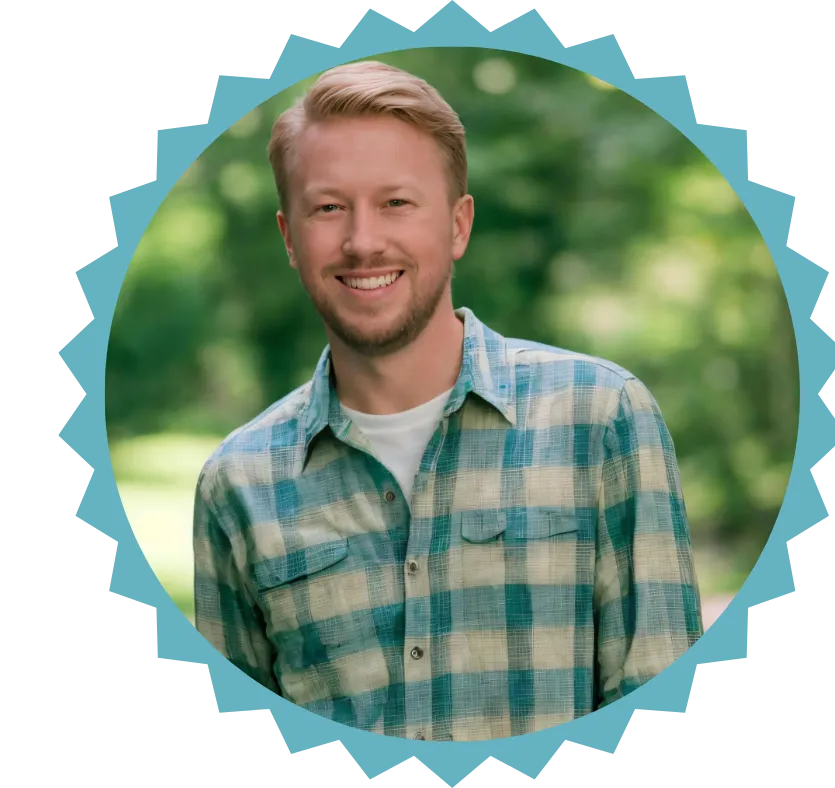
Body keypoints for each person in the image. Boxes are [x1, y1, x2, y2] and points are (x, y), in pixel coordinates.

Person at [193, 59, 704, 743]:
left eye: (396, 202)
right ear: (290, 238)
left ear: (458, 225)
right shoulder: (238, 484)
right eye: (329, 207)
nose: (363, 240)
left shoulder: (602, 418)